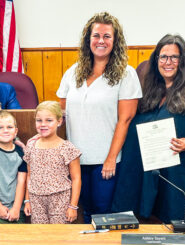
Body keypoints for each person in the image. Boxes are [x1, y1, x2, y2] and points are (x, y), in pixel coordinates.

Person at [111, 34, 185, 223]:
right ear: (156, 60)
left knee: (176, 223)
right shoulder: (148, 91)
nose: (168, 62)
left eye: (174, 57)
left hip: (180, 174)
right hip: (146, 173)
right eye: (163, 57)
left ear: (183, 61)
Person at [56, 12, 142, 223]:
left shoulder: (126, 74)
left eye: (107, 36)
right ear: (88, 40)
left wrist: (111, 158)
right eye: (96, 36)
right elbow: (61, 112)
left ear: (115, 41)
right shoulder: (73, 72)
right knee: (85, 210)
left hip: (106, 159)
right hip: (76, 158)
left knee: (104, 213)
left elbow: (125, 120)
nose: (101, 41)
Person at [23, 101, 81, 224]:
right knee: (40, 235)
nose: (43, 124)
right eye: (39, 120)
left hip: (60, 199)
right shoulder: (31, 145)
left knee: (58, 235)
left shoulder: (67, 148)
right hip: (36, 199)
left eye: (49, 120)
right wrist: (27, 200)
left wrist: (73, 206)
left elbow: (76, 179)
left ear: (59, 122)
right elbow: (29, 175)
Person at [0, 111, 27, 223]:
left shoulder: (21, 154)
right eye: (0, 127)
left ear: (15, 131)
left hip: (17, 209)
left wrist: (16, 209)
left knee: (17, 238)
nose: (5, 130)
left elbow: (22, 182)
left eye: (9, 127)